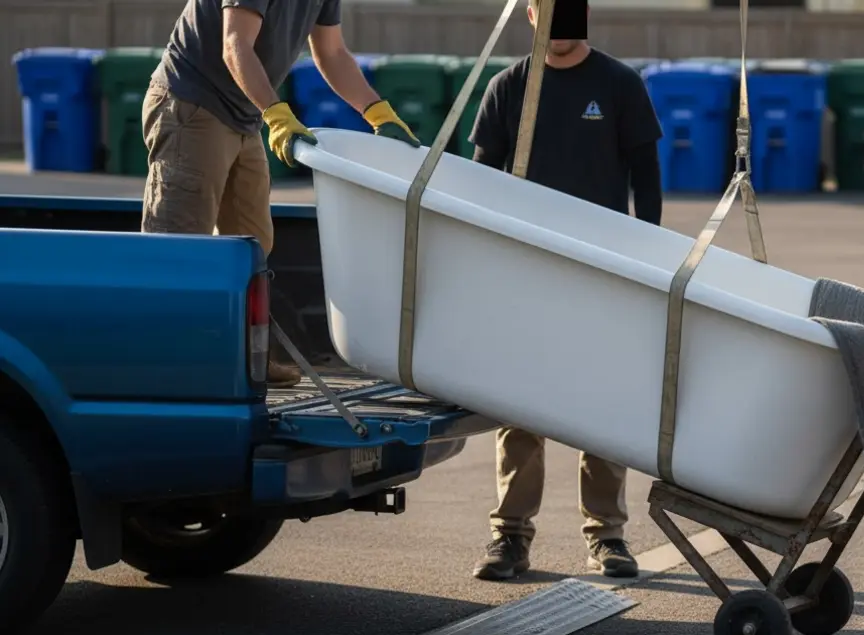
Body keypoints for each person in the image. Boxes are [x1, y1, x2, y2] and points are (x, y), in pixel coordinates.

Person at [466, 0, 664, 581]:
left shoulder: (619, 83)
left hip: (602, 272)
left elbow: (646, 177)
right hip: (527, 273)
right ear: (530, 14)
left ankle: (607, 537)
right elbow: (480, 179)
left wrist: (648, 258)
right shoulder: (509, 88)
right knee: (520, 409)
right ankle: (510, 538)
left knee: (598, 404)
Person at [141, 0, 420, 387]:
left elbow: (332, 52)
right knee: (181, 247)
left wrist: (377, 113)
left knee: (254, 243)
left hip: (243, 113)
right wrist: (277, 115)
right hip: (191, 104)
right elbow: (235, 44)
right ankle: (165, 373)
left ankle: (244, 360)